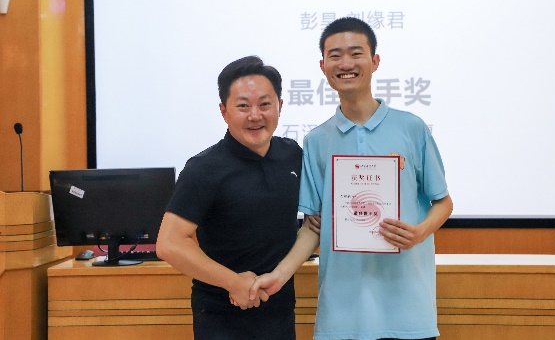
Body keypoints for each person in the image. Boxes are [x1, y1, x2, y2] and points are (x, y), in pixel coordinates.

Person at [249, 17, 454, 340]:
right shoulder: (317, 140)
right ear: (323, 66)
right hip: (341, 315)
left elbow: (443, 202)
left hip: (409, 311)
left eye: (356, 53)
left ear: (375, 61)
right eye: (335, 55)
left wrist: (419, 233)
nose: (345, 64)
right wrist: (278, 275)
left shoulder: (412, 128)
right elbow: (313, 227)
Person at [156, 55, 305, 340]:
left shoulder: (292, 155)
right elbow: (169, 243)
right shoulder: (203, 168)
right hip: (221, 315)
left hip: (280, 312)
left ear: (280, 106)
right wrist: (234, 283)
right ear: (224, 112)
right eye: (243, 106)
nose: (255, 116)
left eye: (265, 104)